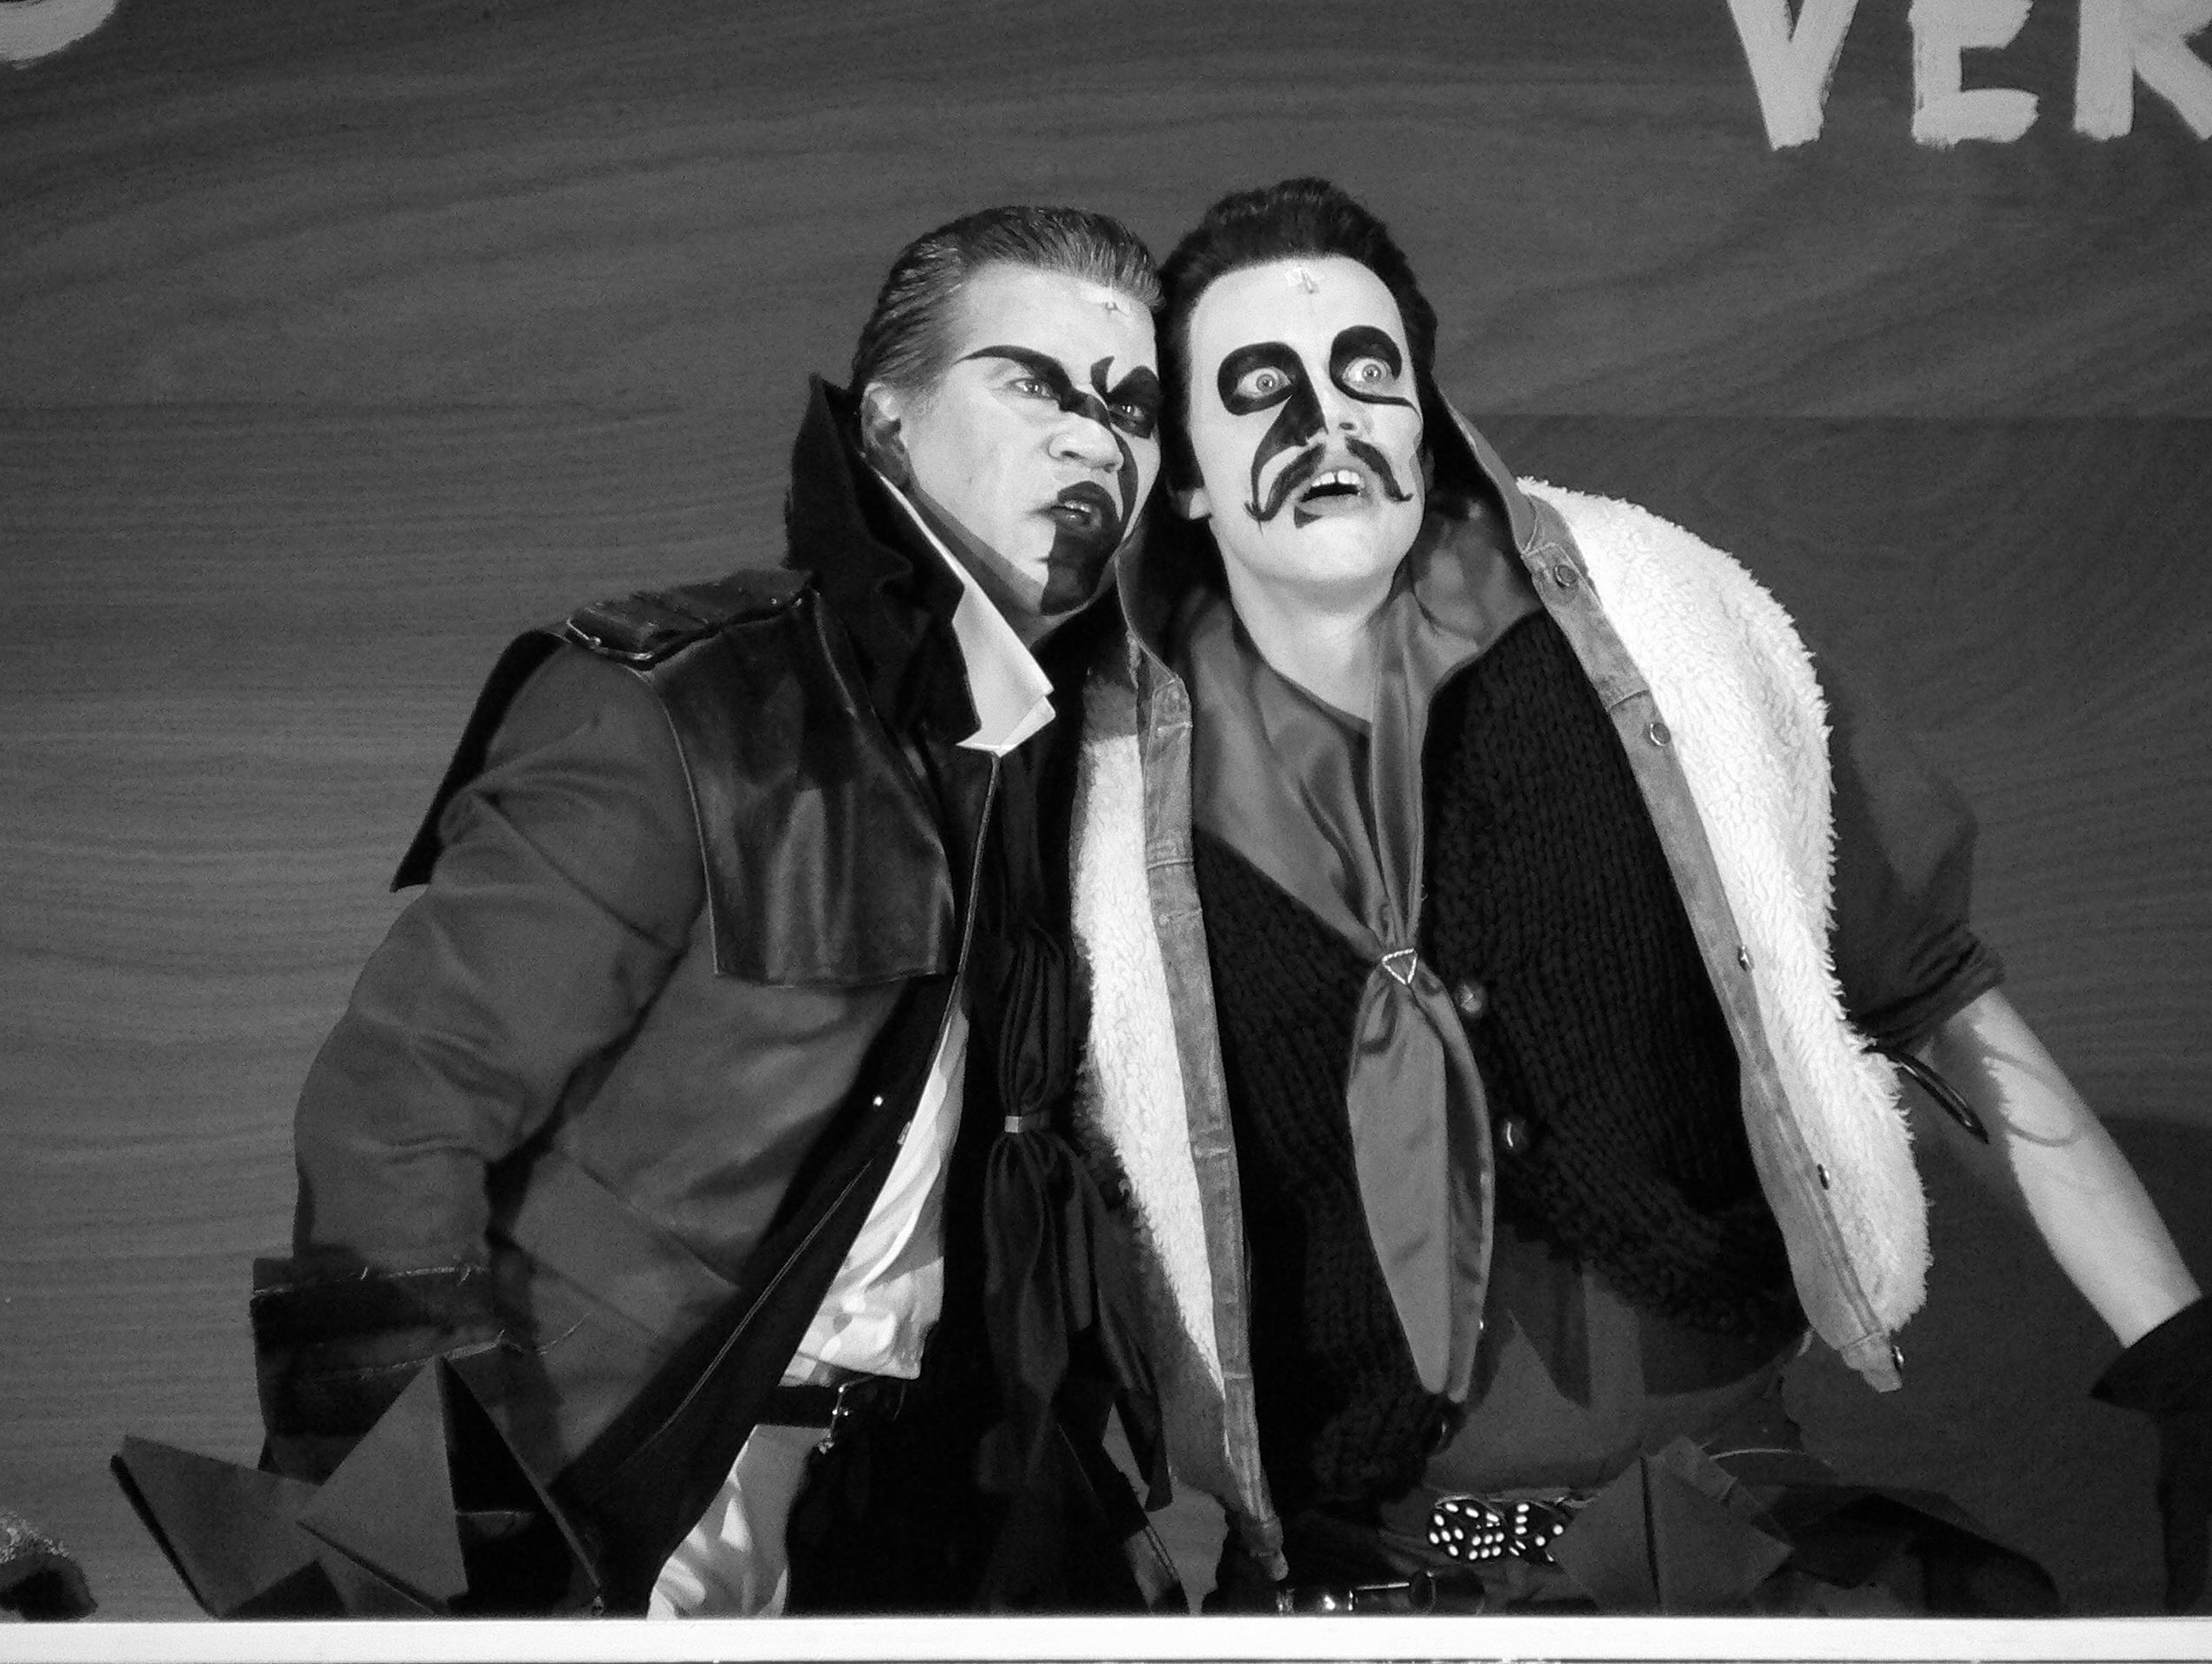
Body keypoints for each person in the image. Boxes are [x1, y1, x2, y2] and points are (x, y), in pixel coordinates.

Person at [1067, 177, 2212, 1615]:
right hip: (1351, 1578)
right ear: (1183, 471)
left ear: (1427, 421)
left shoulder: (1662, 640)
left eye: (1370, 376)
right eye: (1259, 390)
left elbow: (1926, 991)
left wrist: (2187, 1363)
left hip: (1720, 1538)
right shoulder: (1102, 791)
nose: (1328, 425)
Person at [249, 205, 1174, 1616]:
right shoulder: (686, 708)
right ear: (888, 422)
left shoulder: (1096, 771)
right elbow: (395, 1115)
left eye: (1131, 407)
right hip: (602, 1493)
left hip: (899, 1527)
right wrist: (432, 1551)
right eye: (1034, 384)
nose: (1092, 440)